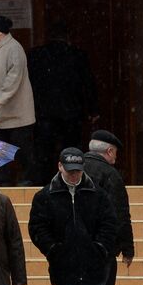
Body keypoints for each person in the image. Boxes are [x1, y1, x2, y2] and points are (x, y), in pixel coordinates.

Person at [27, 148, 116, 285]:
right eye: (70, 171)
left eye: (77, 171)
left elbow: (109, 224)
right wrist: (53, 250)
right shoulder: (46, 196)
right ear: (60, 167)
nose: (74, 175)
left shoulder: (97, 194)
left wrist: (100, 248)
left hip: (93, 266)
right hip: (64, 266)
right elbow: (37, 228)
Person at [82, 129, 133, 285]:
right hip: (102, 249)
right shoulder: (110, 174)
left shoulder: (73, 170)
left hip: (76, 249)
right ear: (109, 151)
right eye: (116, 153)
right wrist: (127, 247)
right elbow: (120, 213)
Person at [28, 21, 98, 185]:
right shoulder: (77, 55)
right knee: (71, 149)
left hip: (43, 112)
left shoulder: (36, 55)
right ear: (67, 37)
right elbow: (88, 83)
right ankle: (72, 181)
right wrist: (93, 109)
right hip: (71, 112)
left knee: (44, 152)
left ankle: (44, 184)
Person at [0, 15, 35, 185]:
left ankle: (28, 179)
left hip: (17, 112)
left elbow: (14, 76)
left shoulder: (14, 48)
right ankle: (0, 180)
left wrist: (1, 96)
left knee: (22, 149)